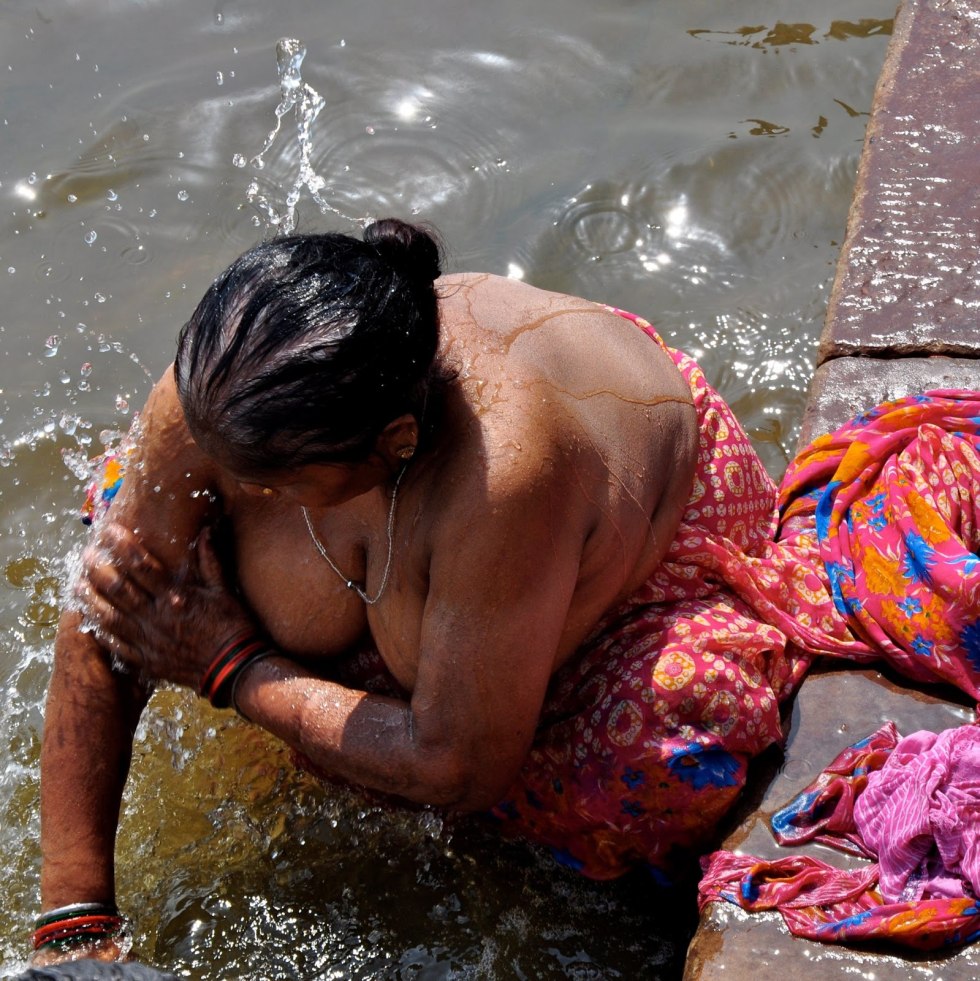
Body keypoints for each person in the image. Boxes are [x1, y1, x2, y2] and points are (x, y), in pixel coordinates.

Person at [33, 218, 980, 965]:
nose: (234, 491)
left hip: (619, 540)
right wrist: (74, 920)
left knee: (657, 752)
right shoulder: (228, 385)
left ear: (392, 447)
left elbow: (460, 765)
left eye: (270, 482)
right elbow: (114, 603)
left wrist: (233, 664)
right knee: (129, 520)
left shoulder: (506, 468)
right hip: (414, 545)